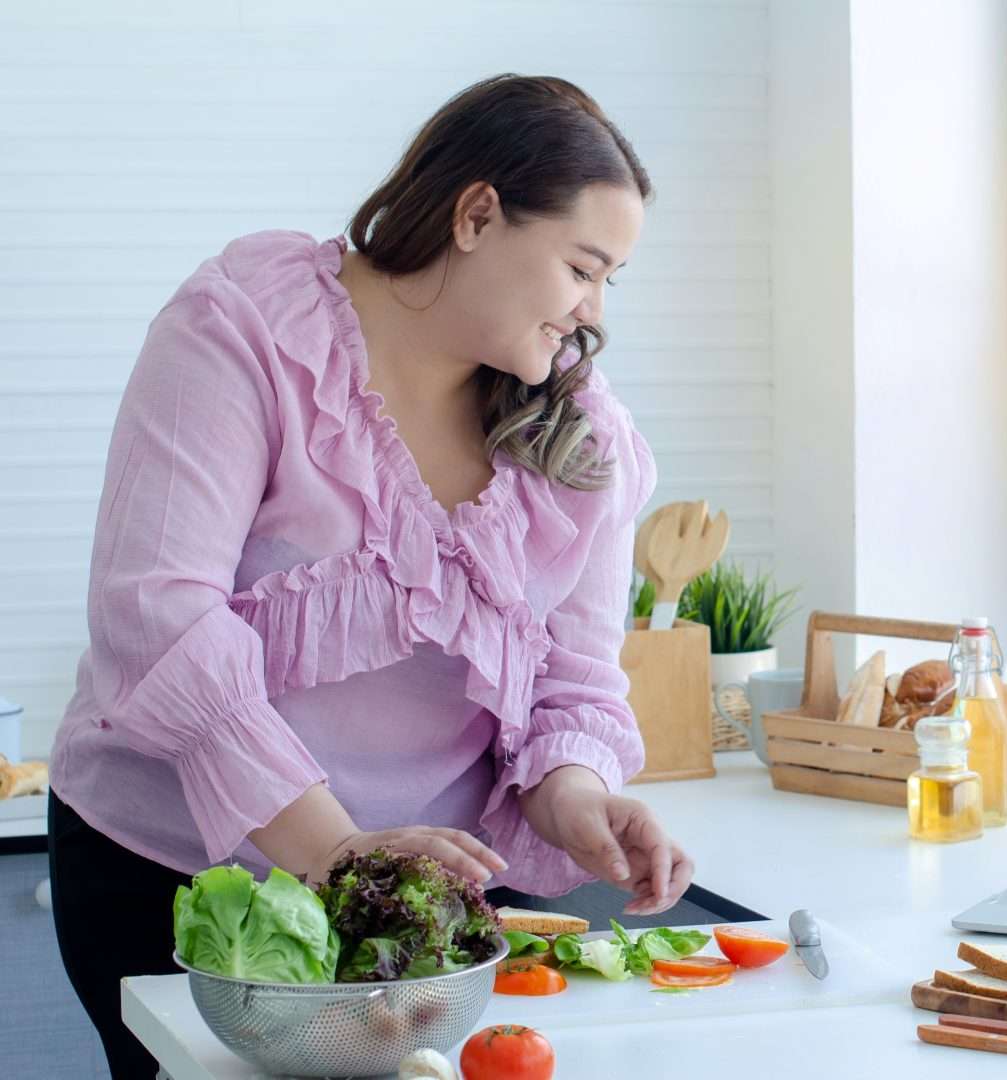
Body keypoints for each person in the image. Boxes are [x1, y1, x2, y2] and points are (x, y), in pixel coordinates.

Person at [45, 73, 693, 1079]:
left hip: (421, 907)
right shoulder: (248, 329)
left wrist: (576, 798)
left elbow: (572, 674)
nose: (591, 311)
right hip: (181, 879)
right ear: (477, 214)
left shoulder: (581, 436)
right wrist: (339, 853)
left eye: (612, 280)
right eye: (582, 266)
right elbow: (156, 616)